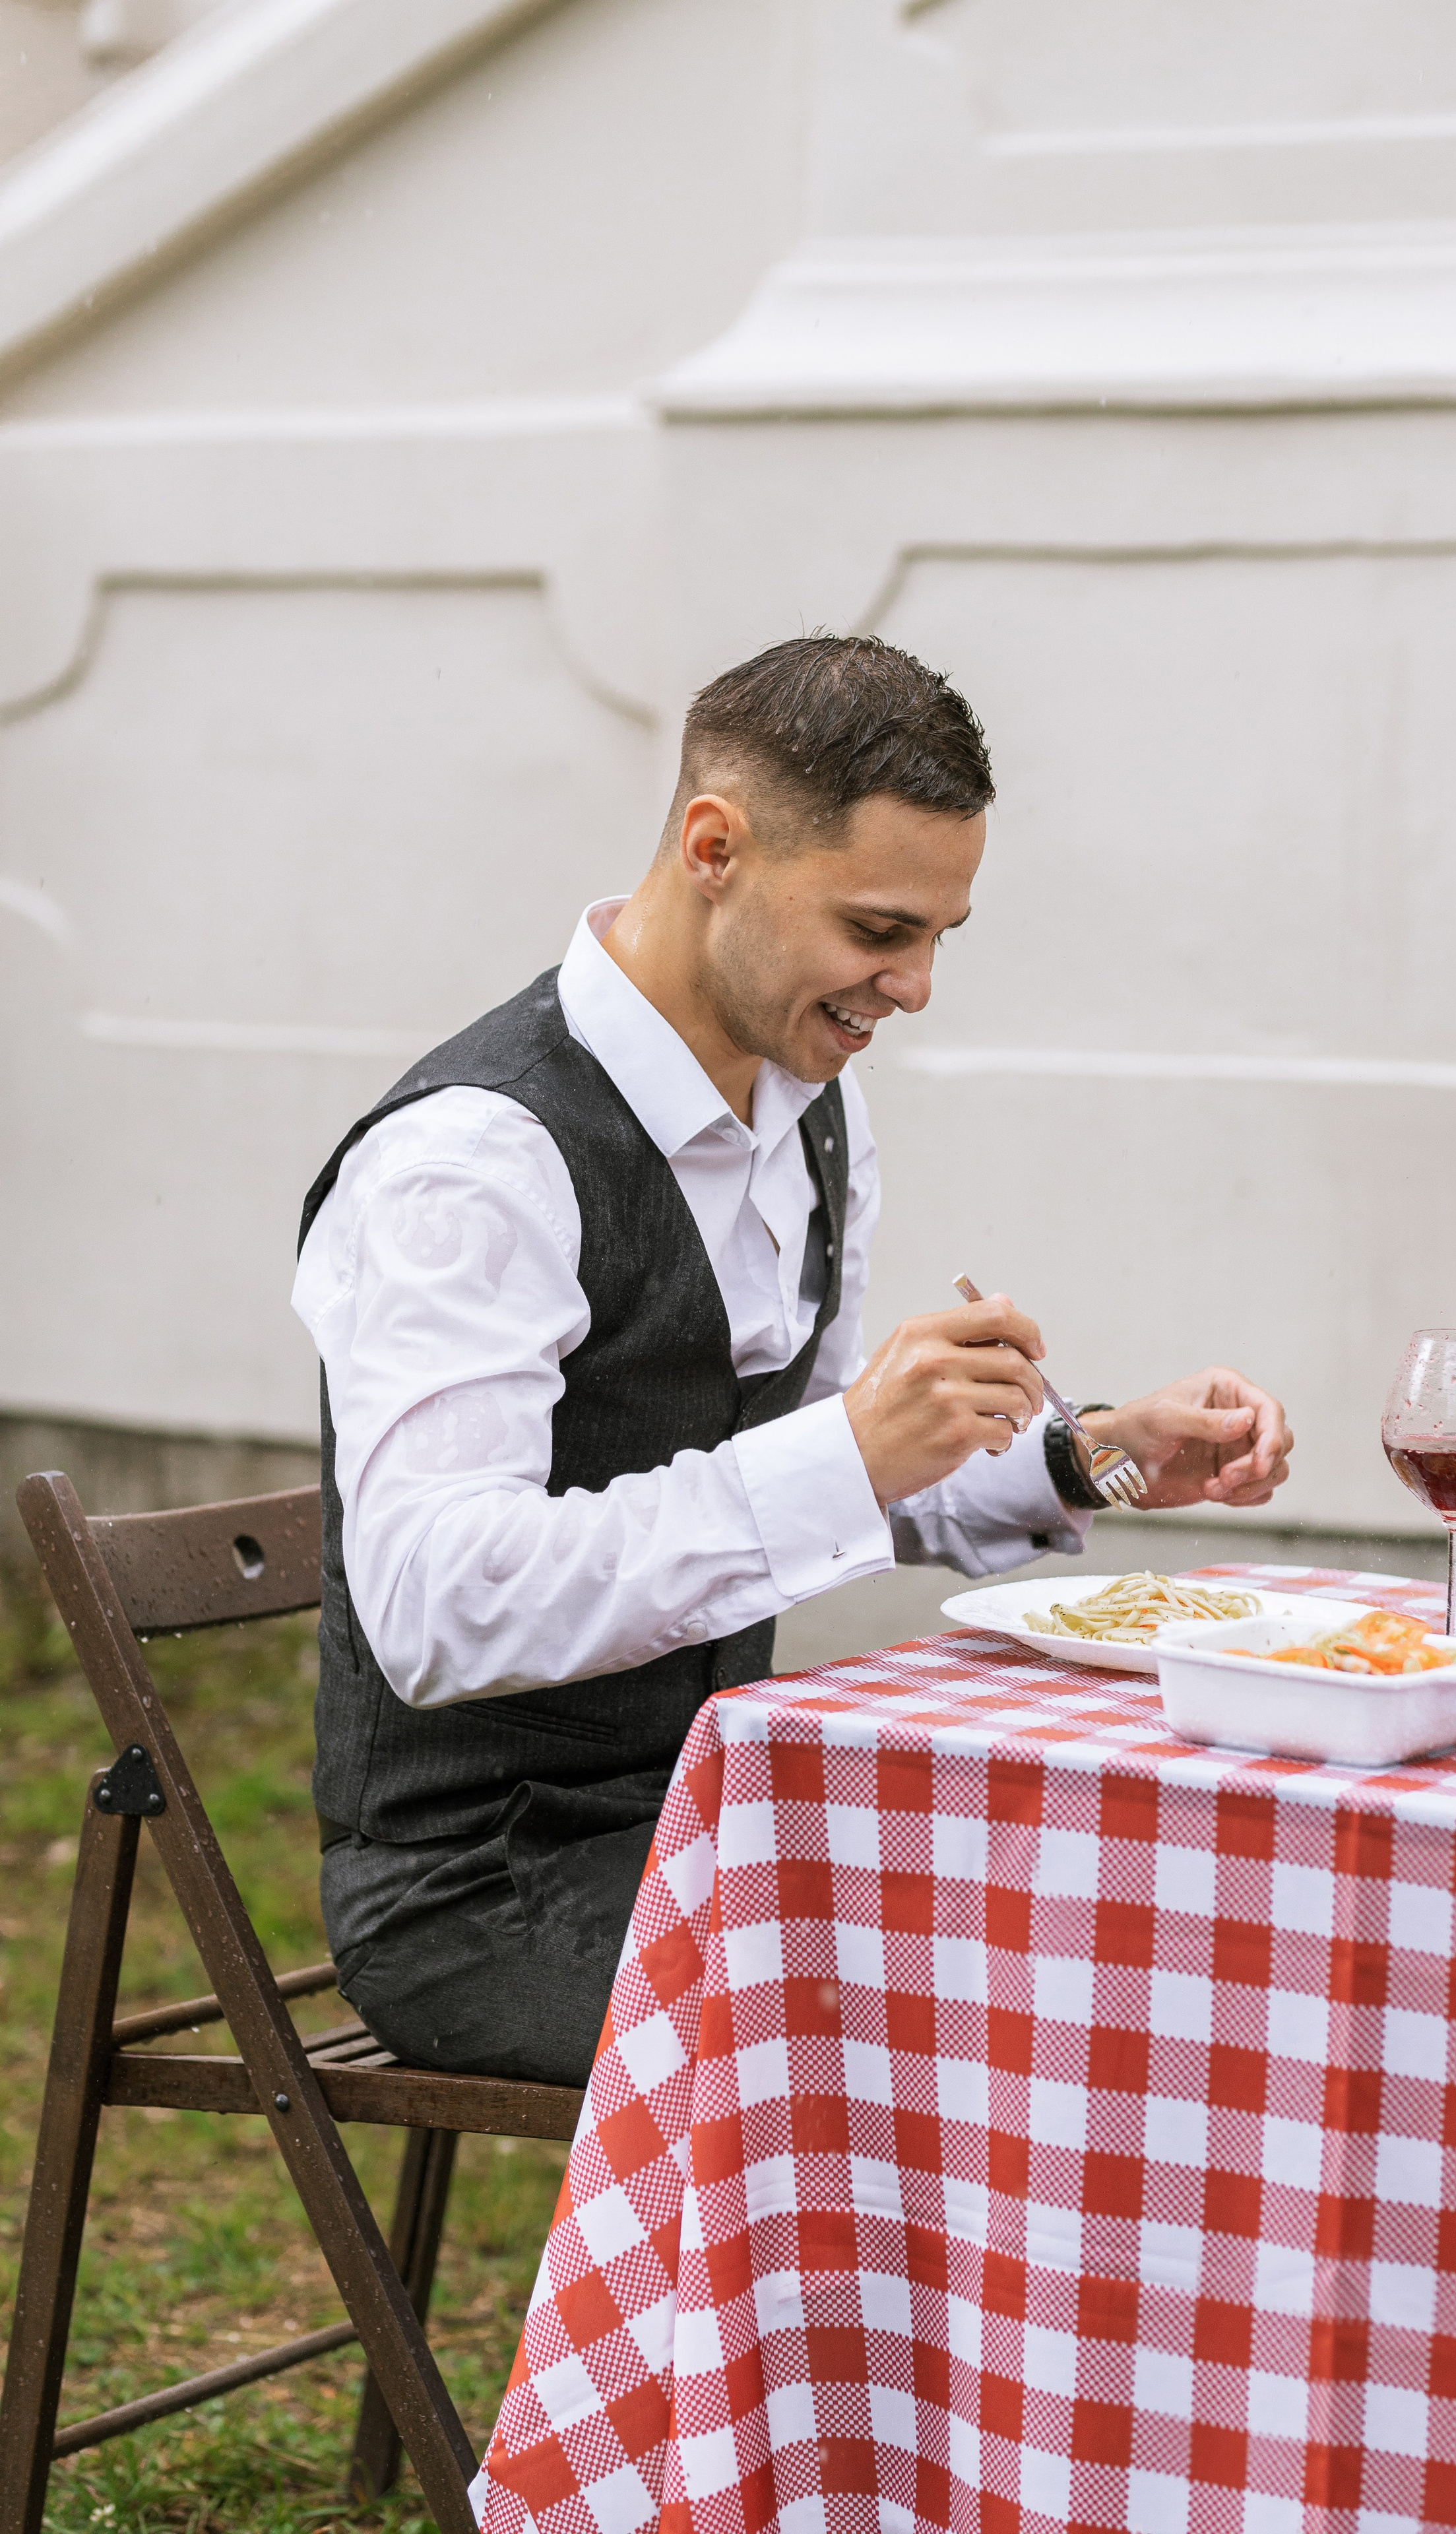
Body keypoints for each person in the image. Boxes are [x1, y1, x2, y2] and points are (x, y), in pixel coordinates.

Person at [293, 635, 1293, 2086]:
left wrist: (1093, 1450)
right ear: (714, 847)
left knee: (1136, 1939)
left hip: (721, 1813)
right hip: (484, 1894)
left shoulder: (809, 1106)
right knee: (989, 2046)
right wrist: (844, 1451)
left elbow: (812, 1463)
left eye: (944, 933)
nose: (918, 984)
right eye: (881, 929)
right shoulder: (473, 1162)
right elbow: (437, 1608)